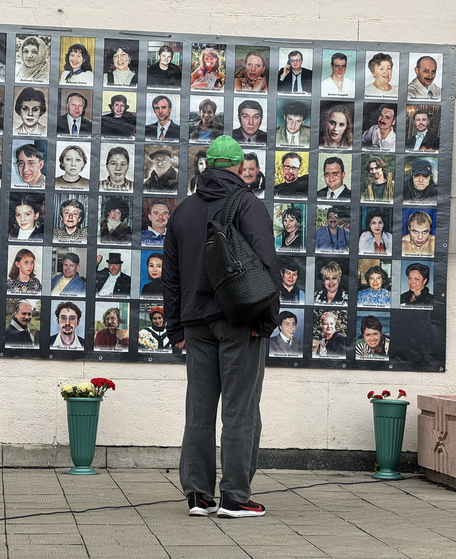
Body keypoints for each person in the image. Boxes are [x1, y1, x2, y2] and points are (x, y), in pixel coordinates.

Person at [162, 135, 278, 518]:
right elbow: (265, 268)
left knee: (198, 410)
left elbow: (171, 277)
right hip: (240, 321)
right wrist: (267, 320)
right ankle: (235, 496)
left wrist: (176, 328)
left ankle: (198, 495)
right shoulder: (248, 204)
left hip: (195, 325)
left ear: (207, 164)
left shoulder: (183, 211)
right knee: (240, 410)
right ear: (238, 165)